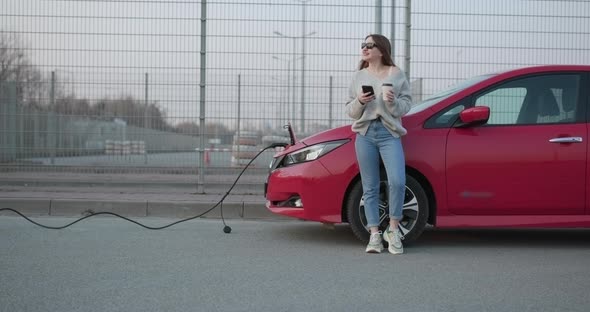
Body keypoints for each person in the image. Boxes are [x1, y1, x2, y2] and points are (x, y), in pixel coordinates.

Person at [345, 34, 412, 254]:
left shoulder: (396, 74)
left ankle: (393, 230)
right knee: (370, 186)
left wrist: (392, 103)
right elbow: (350, 111)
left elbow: (406, 105)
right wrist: (360, 102)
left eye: (369, 45)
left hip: (388, 133)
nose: (364, 48)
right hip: (365, 133)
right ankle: (374, 234)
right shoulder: (358, 76)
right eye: (362, 45)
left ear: (381, 50)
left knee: (397, 181)